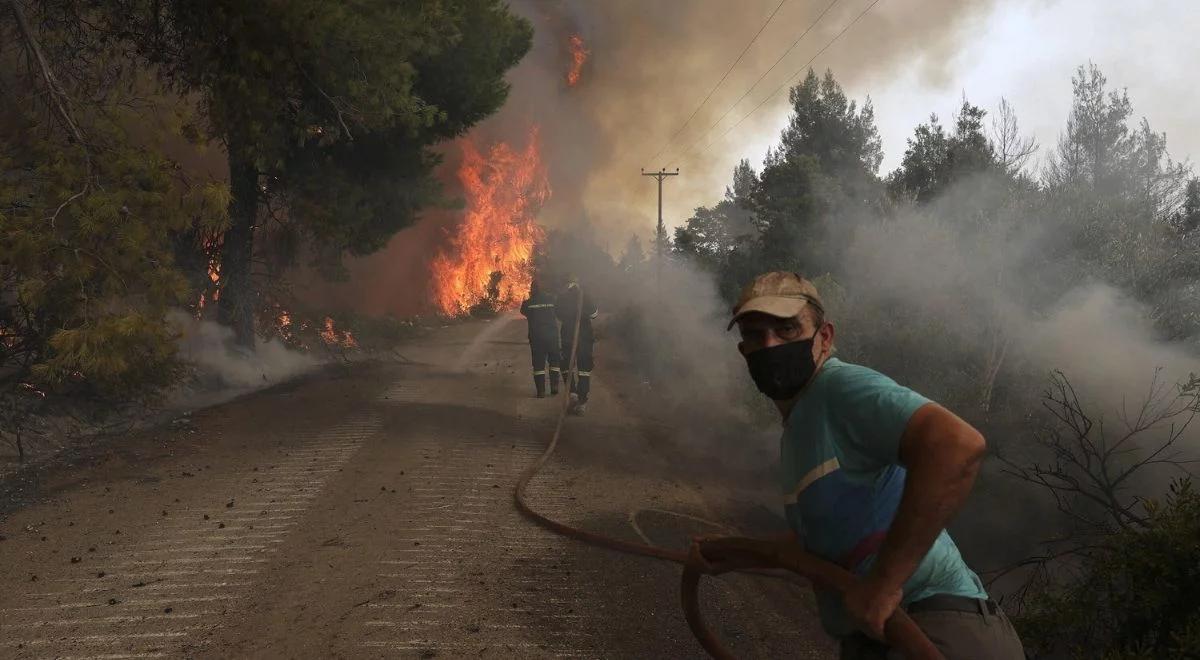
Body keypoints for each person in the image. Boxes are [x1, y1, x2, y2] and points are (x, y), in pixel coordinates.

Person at [721, 271, 1025, 660]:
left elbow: (957, 445)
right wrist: (736, 552)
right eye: (754, 334)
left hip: (933, 628)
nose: (770, 345)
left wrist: (882, 586)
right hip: (883, 635)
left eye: (787, 329)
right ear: (743, 351)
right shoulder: (802, 424)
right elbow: (823, 547)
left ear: (824, 337)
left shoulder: (839, 387)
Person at [555, 275, 598, 415]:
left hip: (568, 336)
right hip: (584, 338)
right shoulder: (586, 296)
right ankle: (582, 402)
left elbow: (559, 315)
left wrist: (573, 315)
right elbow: (594, 314)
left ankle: (572, 393)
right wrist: (582, 313)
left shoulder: (562, 297)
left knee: (566, 366)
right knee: (584, 369)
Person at [519, 278, 561, 398]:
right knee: (554, 362)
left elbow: (523, 311)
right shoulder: (552, 299)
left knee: (538, 365)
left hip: (537, 337)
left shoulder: (528, 303)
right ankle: (554, 387)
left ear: (532, 289)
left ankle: (541, 391)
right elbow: (558, 312)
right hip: (552, 335)